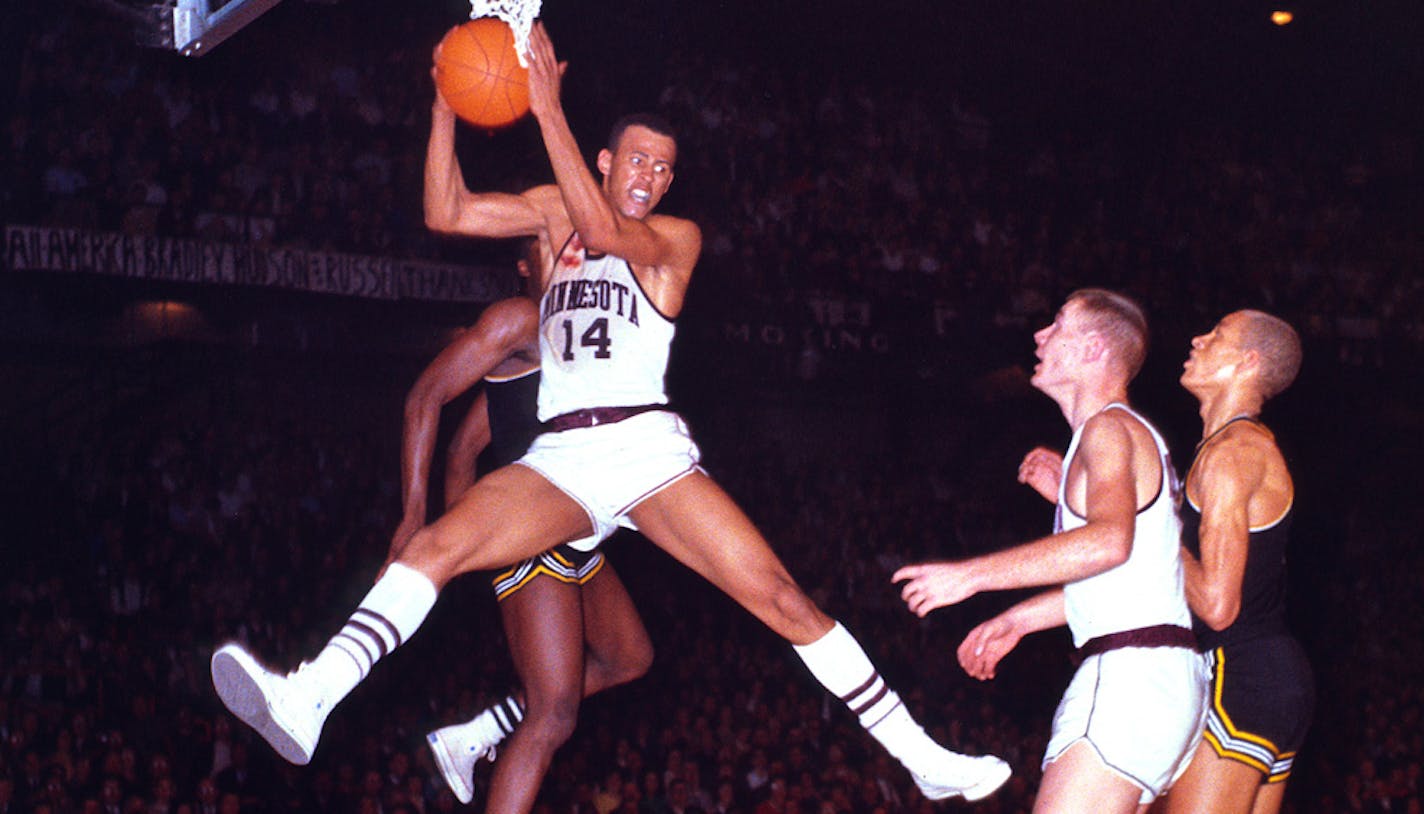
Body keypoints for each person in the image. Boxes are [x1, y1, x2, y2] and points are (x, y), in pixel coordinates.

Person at [210, 20, 1008, 804]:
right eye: (638, 159)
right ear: (606, 158)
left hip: (643, 450)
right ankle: (310, 696)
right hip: (558, 459)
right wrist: (448, 101)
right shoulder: (554, 212)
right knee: (437, 546)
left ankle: (922, 758)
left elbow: (600, 227)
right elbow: (445, 213)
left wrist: (546, 102)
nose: (651, 176)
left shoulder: (674, 239)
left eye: (664, 168)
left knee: (780, 598)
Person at [894, 289, 1206, 813]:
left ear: (1093, 350)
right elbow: (1131, 571)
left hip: (1129, 676)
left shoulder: (1107, 429)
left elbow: (1108, 544)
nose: (1039, 335)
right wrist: (1019, 620)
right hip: (1161, 677)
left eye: (1057, 325)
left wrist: (969, 576)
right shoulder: (1125, 434)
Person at [394, 238, 653, 811]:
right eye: (548, 243)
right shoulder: (517, 317)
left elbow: (464, 450)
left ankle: (480, 730)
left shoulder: (577, 335)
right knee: (554, 714)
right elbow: (424, 399)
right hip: (531, 534)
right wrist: (424, 521)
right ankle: (483, 738)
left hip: (577, 533)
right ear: (523, 265)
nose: (569, 252)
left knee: (629, 657)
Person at [1154, 310, 1312, 814]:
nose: (1198, 338)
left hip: (1237, 670)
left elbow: (1218, 605)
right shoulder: (1230, 449)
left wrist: (1145, 522)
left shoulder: (1233, 453)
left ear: (1247, 363)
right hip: (1263, 673)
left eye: (1216, 335)